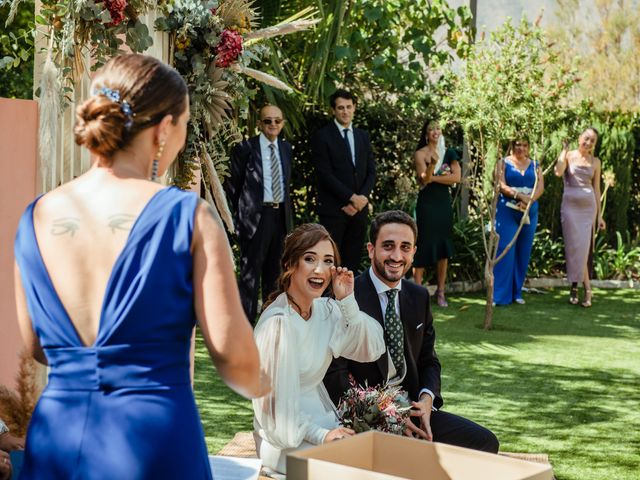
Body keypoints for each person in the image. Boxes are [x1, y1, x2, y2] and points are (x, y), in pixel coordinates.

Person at [13, 54, 267, 479]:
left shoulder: (36, 215)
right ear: (164, 129)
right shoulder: (189, 216)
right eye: (186, 124)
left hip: (57, 438)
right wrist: (265, 385)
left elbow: (37, 346)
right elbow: (233, 357)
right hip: (150, 441)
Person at [324, 210, 499, 453]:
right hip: (362, 419)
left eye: (405, 247)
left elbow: (429, 361)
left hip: (414, 413)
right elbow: (336, 376)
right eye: (388, 246)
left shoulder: (419, 296)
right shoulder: (345, 296)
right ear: (371, 249)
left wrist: (427, 400)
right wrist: (387, 417)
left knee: (484, 442)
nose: (397, 255)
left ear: (414, 252)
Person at [252, 224, 385, 475]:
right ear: (290, 264)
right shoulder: (278, 324)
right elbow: (277, 414)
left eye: (327, 261)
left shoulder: (326, 311)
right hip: (283, 438)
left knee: (373, 460)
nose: (319, 269)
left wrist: (347, 301)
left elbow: (372, 348)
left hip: (323, 422)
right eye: (309, 259)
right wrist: (324, 436)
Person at [225, 104, 294, 322]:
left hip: (279, 218)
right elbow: (232, 187)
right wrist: (240, 217)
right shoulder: (245, 148)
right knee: (249, 278)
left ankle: (270, 324)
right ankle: (244, 328)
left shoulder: (286, 149)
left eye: (277, 120)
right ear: (259, 124)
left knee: (275, 277)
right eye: (267, 121)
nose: (273, 124)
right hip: (255, 219)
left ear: (282, 123)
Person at [311, 89, 376, 273]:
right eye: (341, 108)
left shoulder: (362, 136)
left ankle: (348, 301)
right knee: (331, 261)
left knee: (352, 263)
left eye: (348, 107)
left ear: (354, 108)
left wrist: (360, 199)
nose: (345, 111)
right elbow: (325, 175)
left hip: (359, 211)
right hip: (334, 211)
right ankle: (328, 301)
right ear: (333, 110)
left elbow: (371, 172)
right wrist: (350, 198)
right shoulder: (322, 136)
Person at [412, 120, 462, 307]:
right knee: (423, 244)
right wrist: (432, 168)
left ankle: (440, 292)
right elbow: (423, 180)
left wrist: (432, 177)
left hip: (443, 205)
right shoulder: (420, 154)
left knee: (443, 248)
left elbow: (456, 178)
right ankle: (417, 292)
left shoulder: (449, 153)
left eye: (438, 128)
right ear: (426, 133)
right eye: (431, 129)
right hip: (426, 204)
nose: (435, 131)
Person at [555, 128, 606, 307]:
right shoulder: (568, 155)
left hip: (588, 209)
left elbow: (597, 189)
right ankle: (579, 288)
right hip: (570, 208)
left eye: (593, 141)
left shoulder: (596, 161)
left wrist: (599, 216)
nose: (589, 143)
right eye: (586, 138)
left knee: (584, 249)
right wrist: (563, 150)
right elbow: (558, 172)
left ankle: (584, 289)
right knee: (573, 248)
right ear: (579, 138)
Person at [493, 137, 544, 306]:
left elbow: (540, 187)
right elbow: (500, 184)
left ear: (528, 147)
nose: (521, 148)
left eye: (524, 144)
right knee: (505, 250)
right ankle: (499, 296)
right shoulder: (503, 163)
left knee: (523, 251)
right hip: (508, 208)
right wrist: (517, 195)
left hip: (529, 209)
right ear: (512, 146)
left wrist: (528, 201)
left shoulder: (535, 164)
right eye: (517, 144)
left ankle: (517, 292)